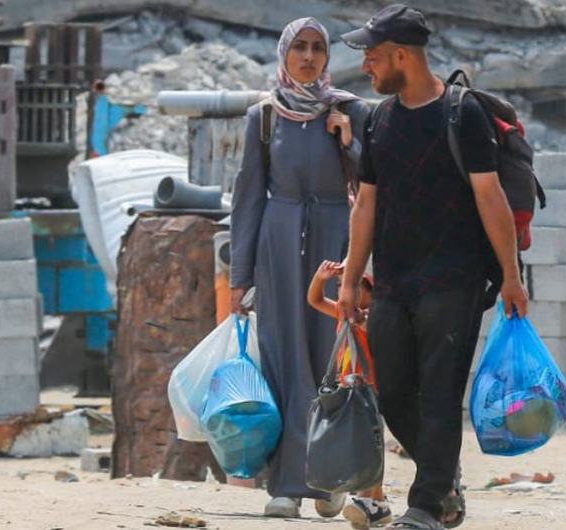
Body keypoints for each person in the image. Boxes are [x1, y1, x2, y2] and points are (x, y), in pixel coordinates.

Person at [337, 4, 530, 529]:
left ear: (402, 55)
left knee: (441, 391)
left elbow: (490, 198)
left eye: (373, 58)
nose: (368, 69)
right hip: (395, 281)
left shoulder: (460, 113)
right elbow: (366, 204)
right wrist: (353, 279)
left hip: (455, 279)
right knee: (395, 392)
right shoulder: (378, 119)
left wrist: (511, 277)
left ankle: (423, 506)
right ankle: (443, 482)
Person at [229, 16, 372, 519]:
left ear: (328, 58)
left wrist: (348, 140)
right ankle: (285, 485)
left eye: (318, 49)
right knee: (284, 358)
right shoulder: (263, 117)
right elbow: (246, 199)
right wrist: (238, 279)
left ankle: (332, 476)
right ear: (285, 54)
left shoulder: (351, 110)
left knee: (334, 359)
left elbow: (374, 185)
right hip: (279, 244)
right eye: (300, 48)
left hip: (337, 245)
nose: (309, 57)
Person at [308, 261, 392, 530]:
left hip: (370, 392)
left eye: (353, 287)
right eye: (341, 287)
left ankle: (372, 501)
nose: (346, 293)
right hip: (346, 389)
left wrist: (362, 320)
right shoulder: (343, 314)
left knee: (370, 444)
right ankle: (372, 501)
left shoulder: (376, 318)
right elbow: (315, 299)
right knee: (352, 442)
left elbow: (371, 330)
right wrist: (320, 278)